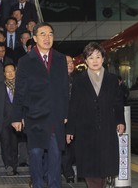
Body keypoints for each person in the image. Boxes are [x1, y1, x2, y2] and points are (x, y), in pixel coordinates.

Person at [11, 22, 69, 188]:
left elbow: (65, 89)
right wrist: (17, 116)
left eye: (50, 34)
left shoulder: (60, 59)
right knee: (35, 154)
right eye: (43, 34)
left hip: (55, 116)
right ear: (35, 38)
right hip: (34, 115)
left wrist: (65, 114)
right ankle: (37, 184)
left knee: (55, 155)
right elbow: (20, 91)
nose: (47, 38)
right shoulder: (25, 61)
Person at [66, 42, 125, 188]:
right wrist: (70, 130)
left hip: (107, 128)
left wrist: (120, 121)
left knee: (104, 169)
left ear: (103, 59)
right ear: (85, 60)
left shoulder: (112, 80)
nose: (95, 61)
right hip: (85, 130)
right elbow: (73, 106)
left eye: (98, 57)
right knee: (90, 169)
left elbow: (118, 103)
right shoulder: (79, 81)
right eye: (91, 57)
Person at [0, 63, 18, 175]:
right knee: (5, 143)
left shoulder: (20, 86)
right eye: (7, 71)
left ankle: (15, 166)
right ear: (4, 74)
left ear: (15, 71)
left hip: (17, 120)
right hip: (3, 120)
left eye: (12, 70)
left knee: (15, 144)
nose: (10, 73)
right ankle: (8, 166)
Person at [62, 55, 76, 183]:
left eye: (72, 62)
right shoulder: (57, 80)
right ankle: (68, 173)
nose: (70, 64)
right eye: (67, 63)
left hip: (78, 118)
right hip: (63, 118)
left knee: (75, 147)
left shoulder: (79, 79)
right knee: (66, 147)